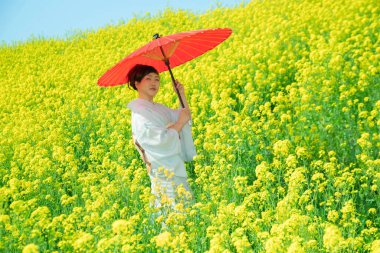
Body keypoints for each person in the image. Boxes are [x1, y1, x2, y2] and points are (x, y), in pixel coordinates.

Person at [126, 64, 196, 210]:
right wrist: (177, 124)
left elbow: (184, 116)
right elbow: (159, 140)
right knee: (169, 210)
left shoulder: (158, 108)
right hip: (161, 170)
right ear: (136, 83)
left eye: (157, 79)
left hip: (175, 166)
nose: (154, 83)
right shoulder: (139, 113)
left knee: (185, 210)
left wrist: (181, 94)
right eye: (148, 78)